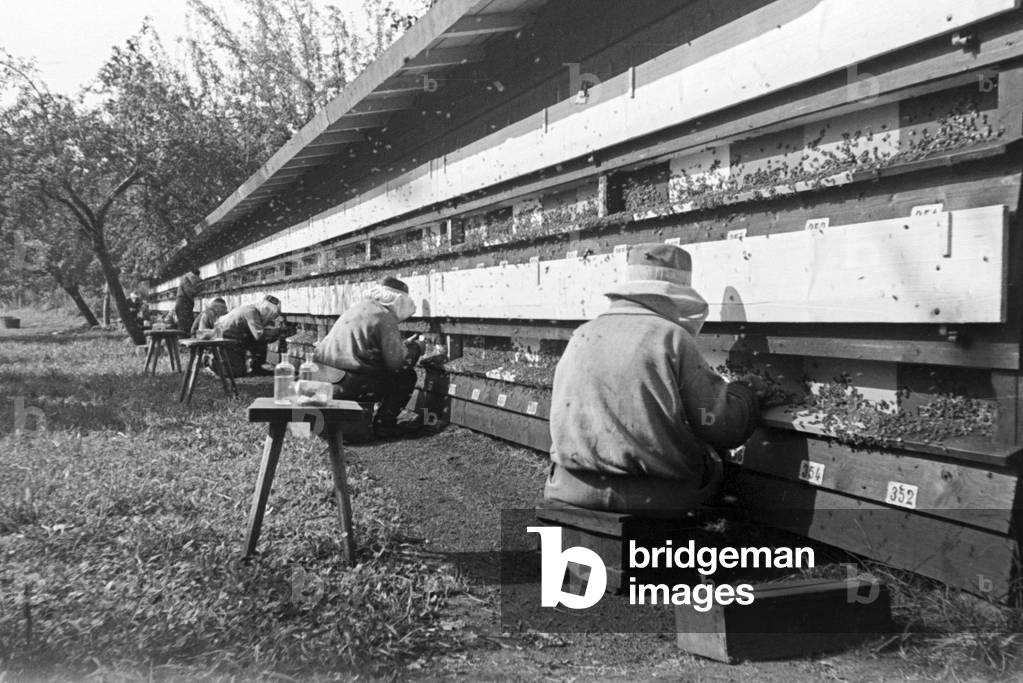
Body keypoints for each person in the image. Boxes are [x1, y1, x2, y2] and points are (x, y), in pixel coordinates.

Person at [543, 243, 766, 518]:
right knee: (713, 458)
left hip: (570, 486)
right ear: (675, 297)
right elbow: (722, 426)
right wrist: (746, 394)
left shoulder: (582, 334)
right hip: (650, 496)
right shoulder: (670, 337)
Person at [313, 276, 425, 438]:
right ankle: (384, 425)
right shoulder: (384, 317)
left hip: (323, 378)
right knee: (406, 377)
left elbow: (363, 346)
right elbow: (397, 364)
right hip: (345, 383)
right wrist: (415, 348)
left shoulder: (358, 309)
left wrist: (401, 345)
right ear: (399, 302)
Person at [214, 295, 284, 376]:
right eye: (272, 315)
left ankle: (257, 368)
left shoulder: (253, 309)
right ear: (267, 310)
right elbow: (260, 336)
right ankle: (212, 364)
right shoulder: (251, 312)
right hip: (226, 338)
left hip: (230, 336)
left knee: (256, 342)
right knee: (237, 372)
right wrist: (279, 331)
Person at [175, 269, 203, 335]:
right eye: (196, 279)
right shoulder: (186, 279)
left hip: (184, 305)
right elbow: (189, 292)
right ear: (194, 276)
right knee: (185, 327)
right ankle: (183, 343)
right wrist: (199, 289)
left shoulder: (187, 278)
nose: (196, 281)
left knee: (186, 325)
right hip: (183, 305)